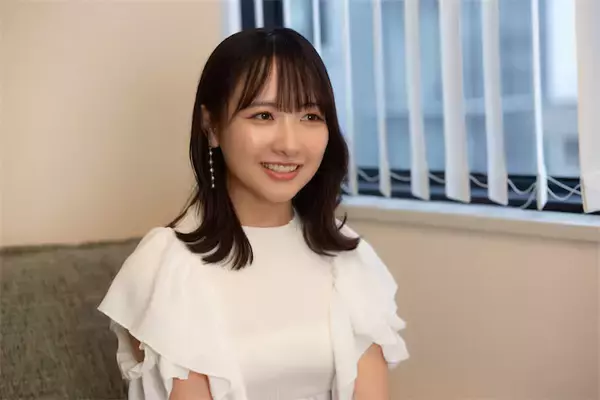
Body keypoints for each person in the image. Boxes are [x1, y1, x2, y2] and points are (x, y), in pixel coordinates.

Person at [98, 27, 409, 400]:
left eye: (310, 116)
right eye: (263, 115)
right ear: (211, 126)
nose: (290, 144)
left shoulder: (349, 260)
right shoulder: (167, 268)